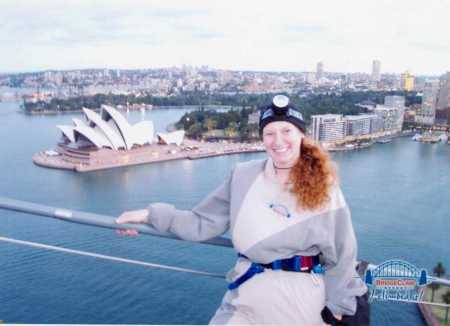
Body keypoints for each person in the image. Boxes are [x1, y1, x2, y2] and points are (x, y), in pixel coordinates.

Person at [116, 95, 368, 325]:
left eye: (286, 131)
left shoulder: (324, 186)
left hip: (300, 301)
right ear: (262, 138)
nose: (278, 141)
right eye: (269, 133)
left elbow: (343, 252)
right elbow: (201, 222)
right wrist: (149, 216)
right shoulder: (243, 175)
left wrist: (338, 307)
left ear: (301, 134)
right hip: (245, 294)